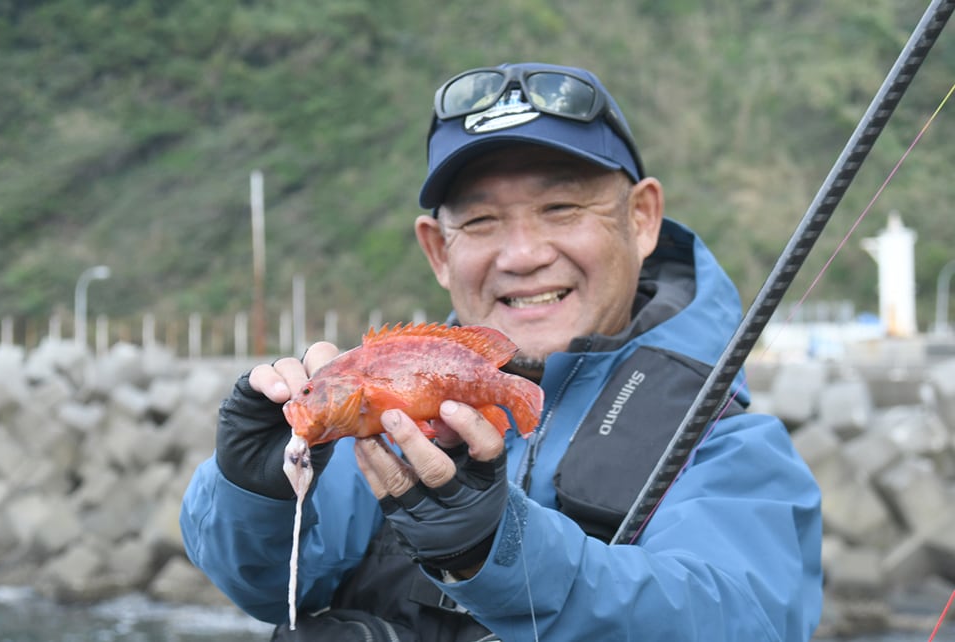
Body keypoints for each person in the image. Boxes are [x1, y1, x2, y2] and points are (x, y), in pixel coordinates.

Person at [181, 62, 823, 641]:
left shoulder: (729, 447)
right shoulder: (363, 427)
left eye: (563, 207)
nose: (522, 255)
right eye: (482, 221)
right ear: (438, 250)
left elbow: (741, 621)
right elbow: (272, 589)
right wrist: (253, 490)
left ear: (642, 219)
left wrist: (500, 549)